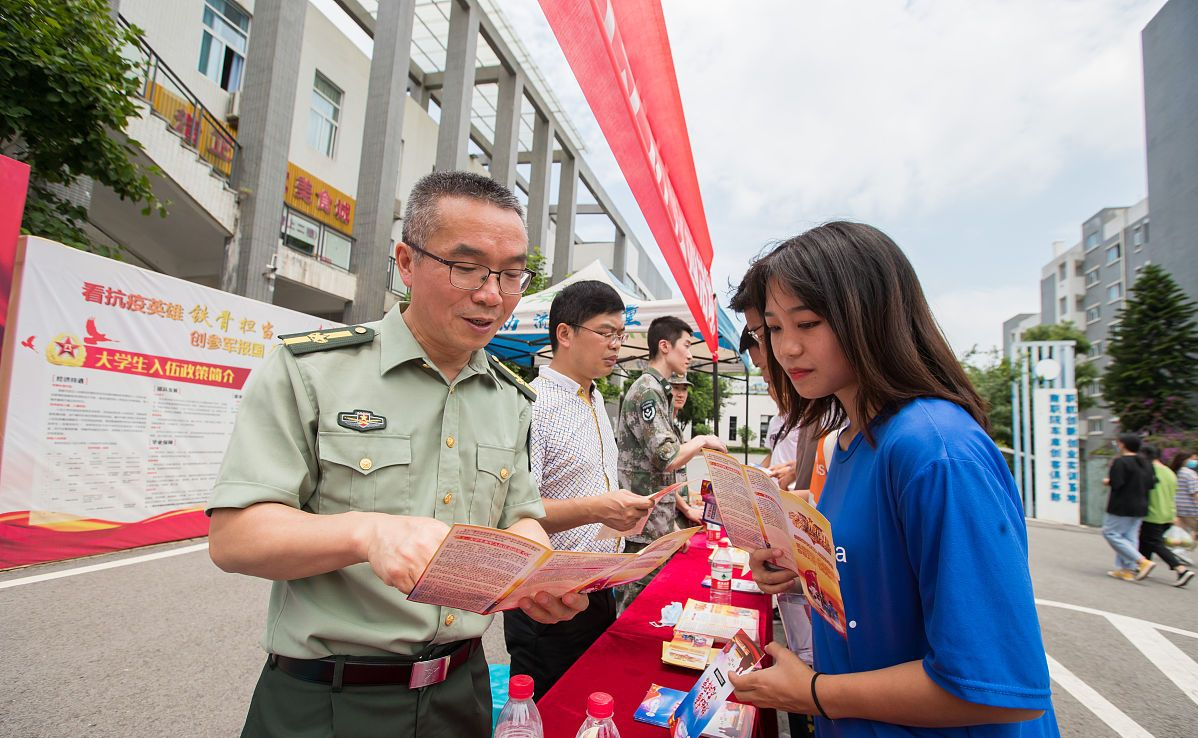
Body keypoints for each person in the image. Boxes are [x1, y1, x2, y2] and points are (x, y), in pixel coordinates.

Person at [206, 171, 587, 738]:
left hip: (463, 694)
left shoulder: (510, 397)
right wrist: (366, 533)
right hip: (327, 703)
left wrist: (541, 570)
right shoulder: (312, 373)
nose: (493, 295)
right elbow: (234, 536)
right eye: (467, 268)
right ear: (406, 263)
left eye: (511, 274)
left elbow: (518, 514)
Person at [729, 222, 1059, 738]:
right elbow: (884, 579)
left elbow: (995, 684)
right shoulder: (850, 442)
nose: (786, 349)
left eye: (808, 323)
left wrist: (812, 693)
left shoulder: (935, 450)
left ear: (873, 317)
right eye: (772, 329)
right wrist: (805, 573)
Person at [503, 280, 655, 699]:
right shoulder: (533, 405)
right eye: (605, 333)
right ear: (564, 334)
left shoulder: (594, 400)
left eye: (620, 335)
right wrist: (597, 509)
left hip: (600, 586)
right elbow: (516, 510)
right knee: (548, 710)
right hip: (549, 600)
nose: (616, 346)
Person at [616, 315, 726, 608]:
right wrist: (703, 440)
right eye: (686, 345)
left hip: (654, 527)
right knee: (635, 614)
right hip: (643, 529)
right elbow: (668, 458)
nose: (690, 354)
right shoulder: (648, 391)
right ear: (664, 346)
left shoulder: (657, 390)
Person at [1102, 434, 1157, 582]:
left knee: (1111, 533)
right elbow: (1152, 484)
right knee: (1129, 536)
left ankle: (1141, 561)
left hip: (1121, 505)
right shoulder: (1146, 463)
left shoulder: (1120, 462)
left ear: (1123, 445)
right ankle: (1127, 570)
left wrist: (1108, 481)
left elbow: (1117, 483)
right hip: (1141, 504)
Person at [1137, 444, 1193, 586]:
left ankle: (1180, 569)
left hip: (1153, 513)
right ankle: (1141, 566)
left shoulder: (1149, 471)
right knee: (1145, 540)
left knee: (1154, 543)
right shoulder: (1169, 472)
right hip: (1168, 513)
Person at [1170, 450, 1198, 551]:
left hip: (1178, 506)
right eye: (1193, 459)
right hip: (1191, 508)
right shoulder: (1190, 474)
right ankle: (1182, 551)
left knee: (1184, 530)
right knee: (1192, 531)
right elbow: (1194, 492)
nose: (1195, 461)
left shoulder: (1175, 472)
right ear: (1185, 460)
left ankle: (1179, 550)